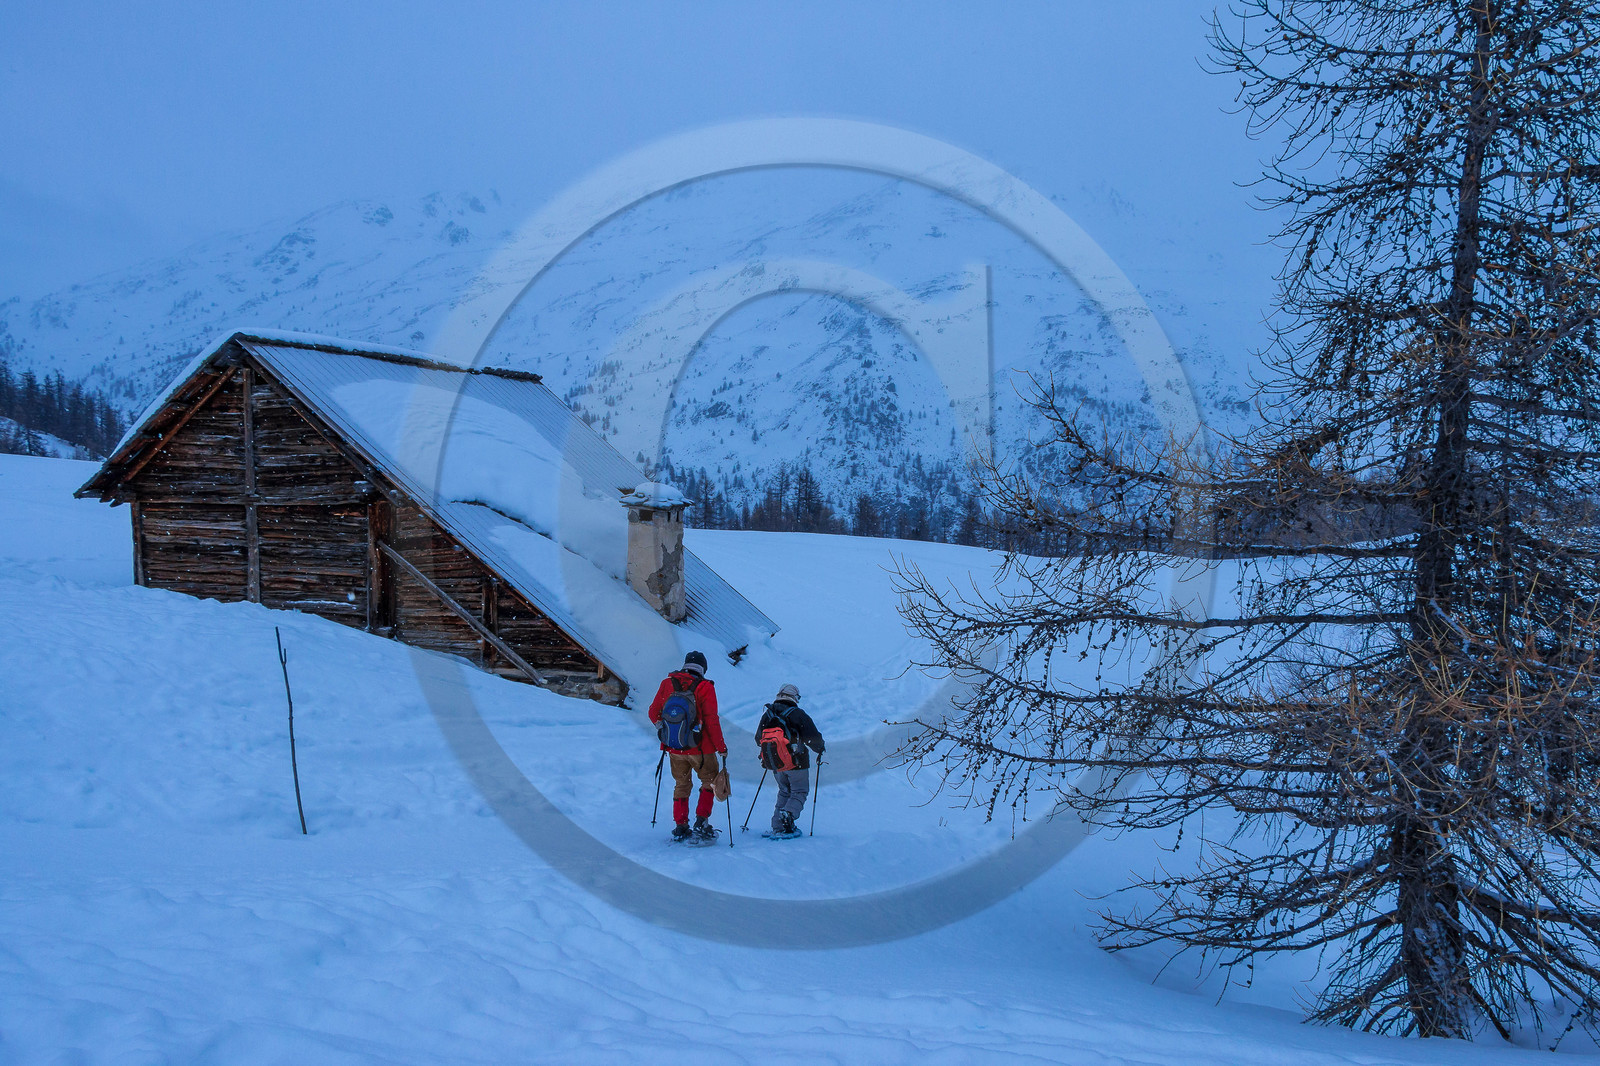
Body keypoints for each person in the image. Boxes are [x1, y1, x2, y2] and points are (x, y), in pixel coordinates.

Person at [648, 651, 727, 842]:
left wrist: (664, 731)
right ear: (703, 669)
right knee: (709, 781)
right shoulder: (705, 687)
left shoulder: (667, 683)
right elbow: (711, 720)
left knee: (681, 784)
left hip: (674, 748)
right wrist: (721, 747)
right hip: (701, 748)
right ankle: (702, 822)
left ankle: (681, 826)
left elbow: (653, 712)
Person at [755, 683, 825, 837]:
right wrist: (820, 748)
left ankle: (778, 826)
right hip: (797, 762)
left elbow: (758, 738)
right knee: (799, 791)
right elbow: (812, 737)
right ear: (794, 697)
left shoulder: (768, 714)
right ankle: (789, 814)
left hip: (776, 764)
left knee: (784, 791)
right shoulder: (797, 714)